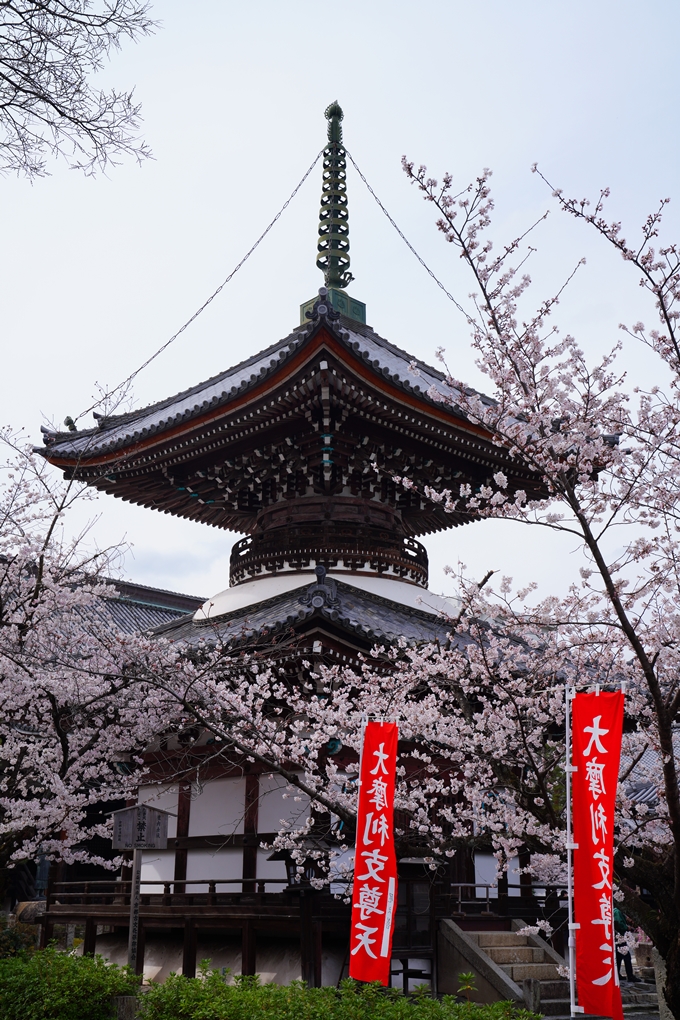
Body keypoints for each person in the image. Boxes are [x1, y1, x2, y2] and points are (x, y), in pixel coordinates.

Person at [614, 906, 641, 982]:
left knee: (619, 957)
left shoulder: (619, 912)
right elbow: (618, 924)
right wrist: (627, 928)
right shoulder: (617, 912)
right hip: (620, 937)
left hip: (620, 937)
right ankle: (630, 976)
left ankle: (617, 974)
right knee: (627, 957)